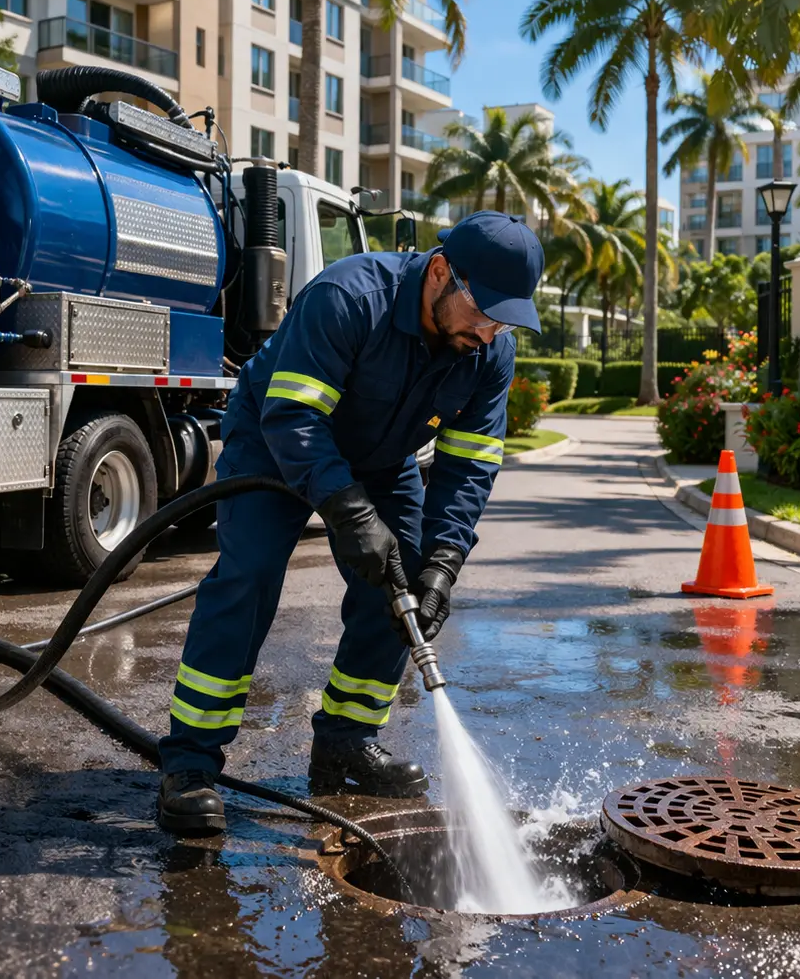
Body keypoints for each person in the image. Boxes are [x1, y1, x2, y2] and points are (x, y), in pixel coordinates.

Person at [156, 210, 544, 834]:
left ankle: (346, 741)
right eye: (483, 309)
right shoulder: (349, 297)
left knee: (403, 586)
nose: (490, 328)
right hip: (275, 442)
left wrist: (444, 561)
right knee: (248, 579)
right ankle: (191, 763)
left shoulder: (489, 352)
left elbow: (469, 467)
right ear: (441, 272)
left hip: (381, 462)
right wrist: (348, 511)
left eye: (504, 316)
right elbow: (296, 418)